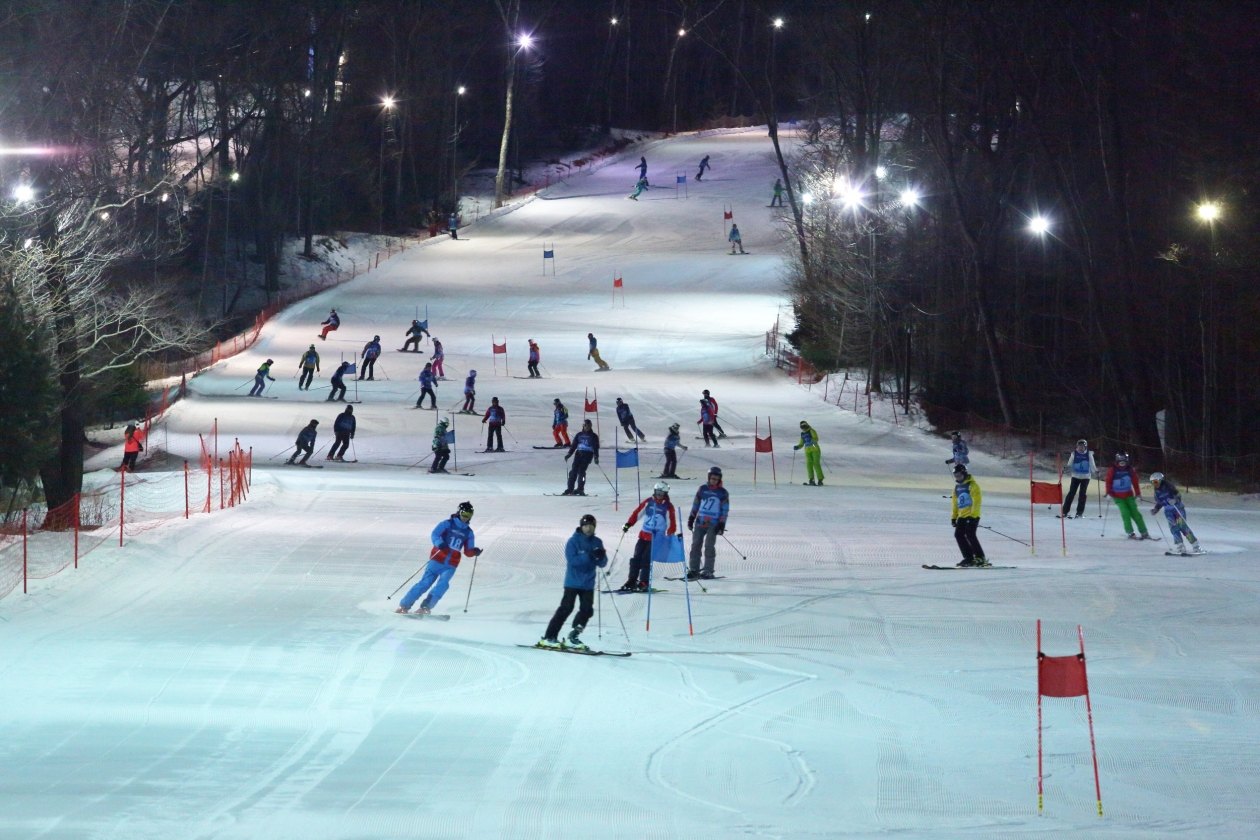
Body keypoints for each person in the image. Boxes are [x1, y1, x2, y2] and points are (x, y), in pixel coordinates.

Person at [395, 501, 483, 614]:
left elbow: (467, 551)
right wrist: (439, 543)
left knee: (443, 584)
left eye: (469, 515)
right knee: (425, 583)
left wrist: (474, 552)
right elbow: (435, 534)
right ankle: (404, 606)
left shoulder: (469, 533)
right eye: (464, 514)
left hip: (452, 563)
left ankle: (425, 607)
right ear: (459, 512)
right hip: (437, 559)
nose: (466, 518)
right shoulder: (447, 524)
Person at [537, 514, 607, 650]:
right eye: (586, 526)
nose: (588, 529)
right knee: (565, 609)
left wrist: (600, 556)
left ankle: (574, 636)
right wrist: (589, 555)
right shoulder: (573, 541)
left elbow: (603, 563)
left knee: (587, 610)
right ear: (581, 526)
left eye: (591, 526)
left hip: (588, 583)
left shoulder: (597, 542)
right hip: (573, 582)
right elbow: (573, 561)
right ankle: (549, 637)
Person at [621, 482, 678, 591]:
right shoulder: (649, 502)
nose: (659, 495)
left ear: (665, 494)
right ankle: (631, 580)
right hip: (643, 535)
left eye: (661, 493)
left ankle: (644, 582)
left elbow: (671, 523)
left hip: (656, 538)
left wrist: (669, 536)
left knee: (646, 559)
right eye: (657, 492)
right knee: (636, 558)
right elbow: (637, 513)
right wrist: (629, 524)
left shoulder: (668, 506)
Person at [687, 467, 729, 580]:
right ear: (709, 478)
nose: (714, 481)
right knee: (695, 545)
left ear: (719, 479)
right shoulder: (702, 489)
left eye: (716, 479)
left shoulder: (723, 493)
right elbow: (696, 504)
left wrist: (721, 524)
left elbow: (724, 510)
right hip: (700, 522)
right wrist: (691, 518)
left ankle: (708, 570)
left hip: (713, 523)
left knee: (709, 546)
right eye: (712, 478)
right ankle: (694, 569)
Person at [1151, 473, 1204, 555]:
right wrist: (1156, 509)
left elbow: (1178, 494)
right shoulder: (1156, 492)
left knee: (1182, 526)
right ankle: (1180, 546)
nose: (1155, 484)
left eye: (1156, 481)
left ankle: (1196, 545)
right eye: (1153, 482)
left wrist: (1175, 500)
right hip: (1168, 511)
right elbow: (1160, 503)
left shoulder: (1168, 486)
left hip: (1178, 508)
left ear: (1160, 481)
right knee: (1173, 527)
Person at [1105, 452, 1153, 540]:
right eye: (1120, 460)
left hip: (1128, 495)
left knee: (1136, 513)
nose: (1122, 462)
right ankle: (1130, 532)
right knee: (1125, 513)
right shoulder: (1113, 469)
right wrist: (1108, 493)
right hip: (1118, 496)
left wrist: (1138, 494)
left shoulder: (1130, 469)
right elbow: (1108, 481)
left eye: (1124, 460)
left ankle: (1144, 532)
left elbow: (1135, 482)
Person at [951, 463, 988, 567]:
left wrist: (972, 516)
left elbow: (977, 501)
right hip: (962, 516)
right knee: (958, 535)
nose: (958, 478)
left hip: (973, 515)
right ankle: (968, 557)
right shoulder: (956, 488)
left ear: (964, 474)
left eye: (959, 475)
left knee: (970, 534)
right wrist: (954, 517)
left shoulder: (972, 485)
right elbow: (955, 503)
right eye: (956, 475)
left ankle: (980, 557)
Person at [1061, 439, 1097, 519]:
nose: (1081, 448)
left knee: (1082, 494)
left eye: (1083, 447)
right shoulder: (1074, 454)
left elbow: (1092, 465)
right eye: (1079, 446)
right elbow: (1069, 465)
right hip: (1075, 476)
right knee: (1071, 493)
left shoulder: (1089, 455)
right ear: (1077, 447)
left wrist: (1095, 471)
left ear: (1085, 447)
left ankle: (1079, 513)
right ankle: (1064, 512)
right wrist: (1066, 468)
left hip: (1085, 477)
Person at [563, 419, 600, 496]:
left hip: (588, 455)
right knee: (573, 472)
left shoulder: (594, 436)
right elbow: (574, 445)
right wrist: (569, 454)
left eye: (589, 426)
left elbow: (596, 447)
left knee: (582, 472)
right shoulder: (579, 435)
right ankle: (570, 489)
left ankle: (580, 489)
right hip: (578, 454)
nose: (587, 427)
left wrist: (596, 457)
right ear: (583, 426)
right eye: (586, 425)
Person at [794, 420, 823, 485]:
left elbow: (816, 438)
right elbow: (801, 443)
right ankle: (811, 479)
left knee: (816, 463)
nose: (803, 428)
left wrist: (812, 440)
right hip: (807, 450)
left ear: (807, 425)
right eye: (802, 427)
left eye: (804, 426)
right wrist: (797, 447)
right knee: (809, 464)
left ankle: (820, 479)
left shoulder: (811, 431)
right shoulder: (802, 434)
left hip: (815, 449)